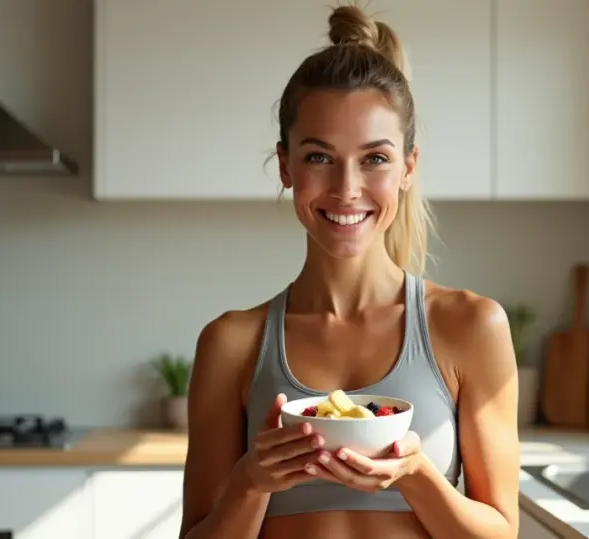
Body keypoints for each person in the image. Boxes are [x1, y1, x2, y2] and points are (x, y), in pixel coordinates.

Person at [178, 5, 520, 539]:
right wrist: (252, 482)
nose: (346, 189)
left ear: (408, 167)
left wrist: (415, 474)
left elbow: (504, 533)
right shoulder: (231, 343)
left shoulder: (472, 327)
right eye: (318, 158)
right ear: (286, 165)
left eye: (374, 159)